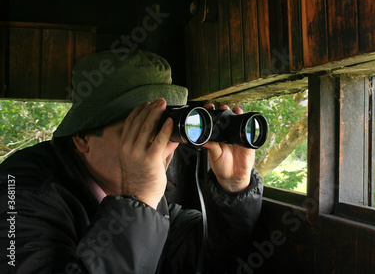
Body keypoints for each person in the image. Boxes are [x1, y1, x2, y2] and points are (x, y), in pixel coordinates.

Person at [0, 50, 263, 273]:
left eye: (166, 129)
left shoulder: (136, 187)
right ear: (82, 137)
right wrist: (137, 202)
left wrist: (234, 188)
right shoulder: (18, 193)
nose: (157, 145)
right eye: (137, 129)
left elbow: (203, 257)